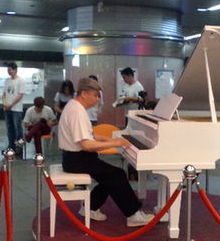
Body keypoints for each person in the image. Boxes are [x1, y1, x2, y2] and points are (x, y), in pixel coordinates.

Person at [58, 77, 154, 227]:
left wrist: (111, 139)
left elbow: (91, 135)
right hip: (77, 160)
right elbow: (86, 145)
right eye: (95, 95)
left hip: (75, 157)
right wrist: (116, 143)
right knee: (117, 175)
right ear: (84, 94)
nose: (97, 99)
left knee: (111, 175)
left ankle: (90, 208)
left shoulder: (74, 106)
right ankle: (134, 215)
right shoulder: (77, 112)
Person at [2, 62, 26, 153]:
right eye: (7, 70)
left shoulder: (21, 81)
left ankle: (19, 147)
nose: (8, 71)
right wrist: (5, 103)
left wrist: (11, 104)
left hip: (16, 109)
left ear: (15, 70)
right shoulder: (7, 80)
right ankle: (11, 146)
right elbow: (4, 94)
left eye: (10, 70)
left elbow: (20, 95)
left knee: (18, 128)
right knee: (9, 128)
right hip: (7, 108)